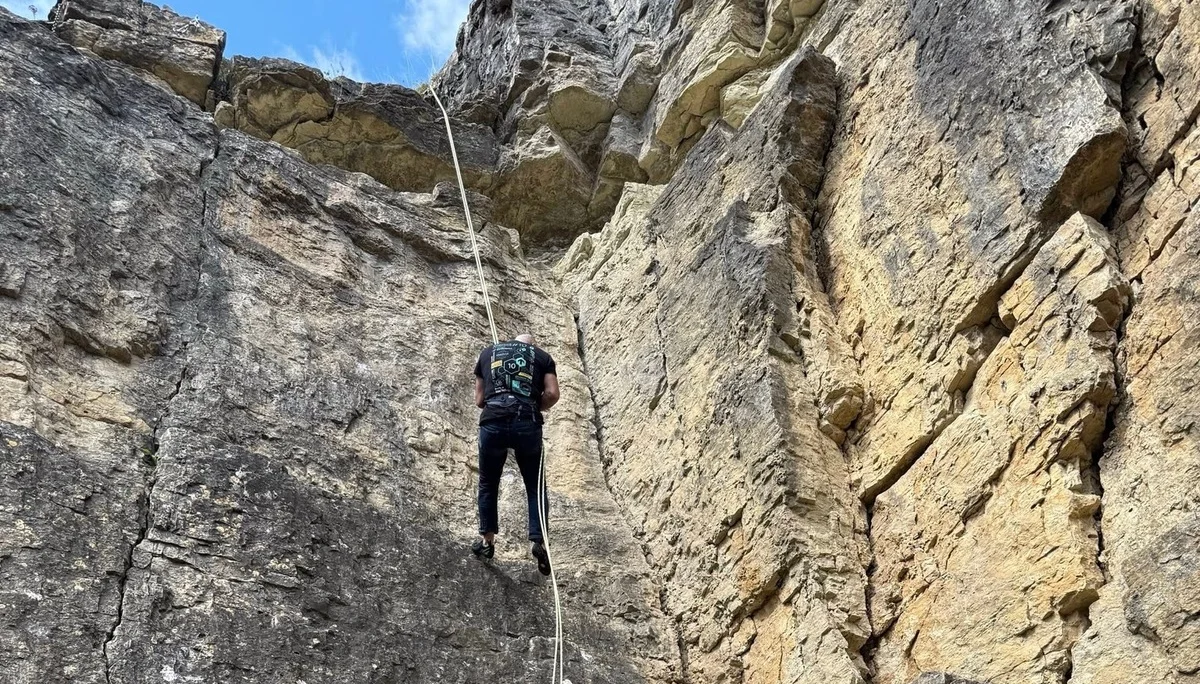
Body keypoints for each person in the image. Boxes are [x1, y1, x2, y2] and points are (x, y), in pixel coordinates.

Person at [472, 333, 560, 575]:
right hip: (527, 423)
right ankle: (538, 542)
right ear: (531, 345)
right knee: (535, 486)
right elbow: (552, 394)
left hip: (493, 422)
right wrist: (533, 405)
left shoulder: (487, 353)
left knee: (488, 483)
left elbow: (480, 400)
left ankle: (487, 542)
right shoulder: (542, 357)